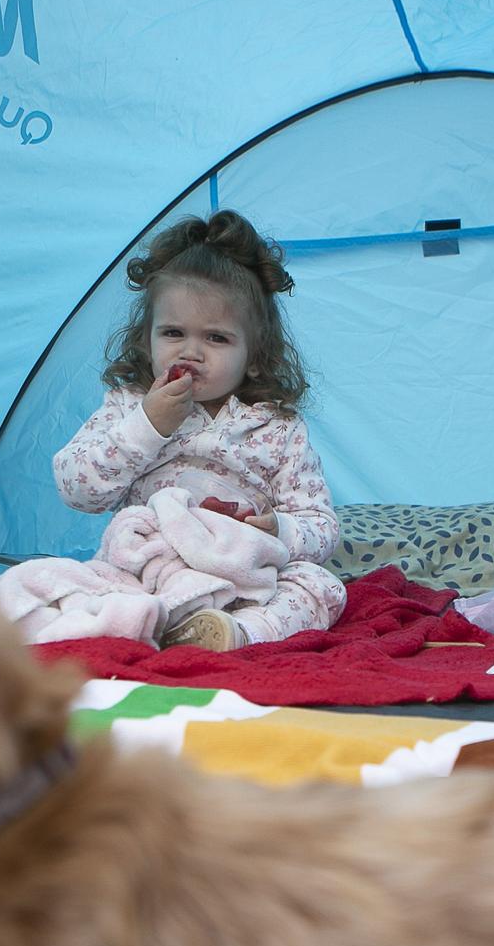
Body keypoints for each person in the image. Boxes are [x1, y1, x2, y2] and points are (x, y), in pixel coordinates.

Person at [51, 209, 345, 650]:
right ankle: (147, 621)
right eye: (173, 332)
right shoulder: (130, 406)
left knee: (320, 587)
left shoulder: (278, 428)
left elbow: (320, 524)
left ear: (257, 355)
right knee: (54, 581)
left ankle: (238, 634)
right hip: (148, 568)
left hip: (240, 576)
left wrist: (278, 530)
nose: (190, 351)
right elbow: (78, 489)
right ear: (145, 339)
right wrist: (147, 427)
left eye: (217, 338)